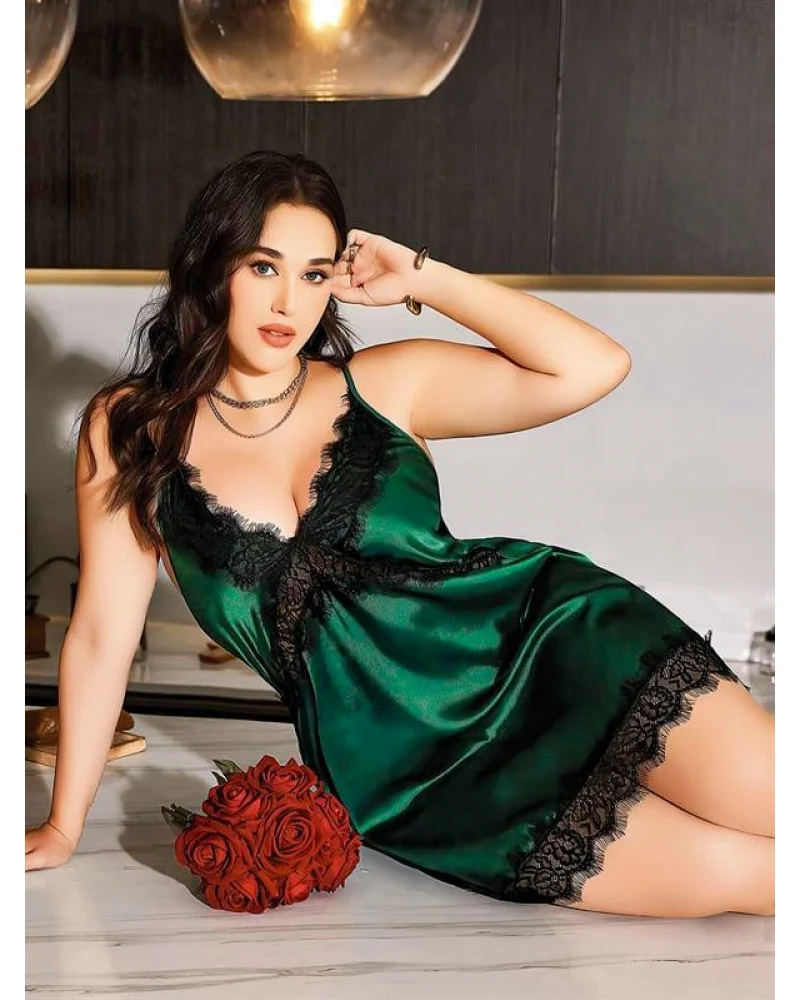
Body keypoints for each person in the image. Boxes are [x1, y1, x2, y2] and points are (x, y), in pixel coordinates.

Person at [25, 150, 774, 918]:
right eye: (263, 266)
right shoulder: (130, 429)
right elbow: (102, 636)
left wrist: (423, 278)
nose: (288, 300)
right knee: (754, 878)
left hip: (554, 648)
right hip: (416, 776)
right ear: (211, 265)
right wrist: (63, 824)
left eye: (315, 274)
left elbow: (593, 366)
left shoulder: (384, 382)